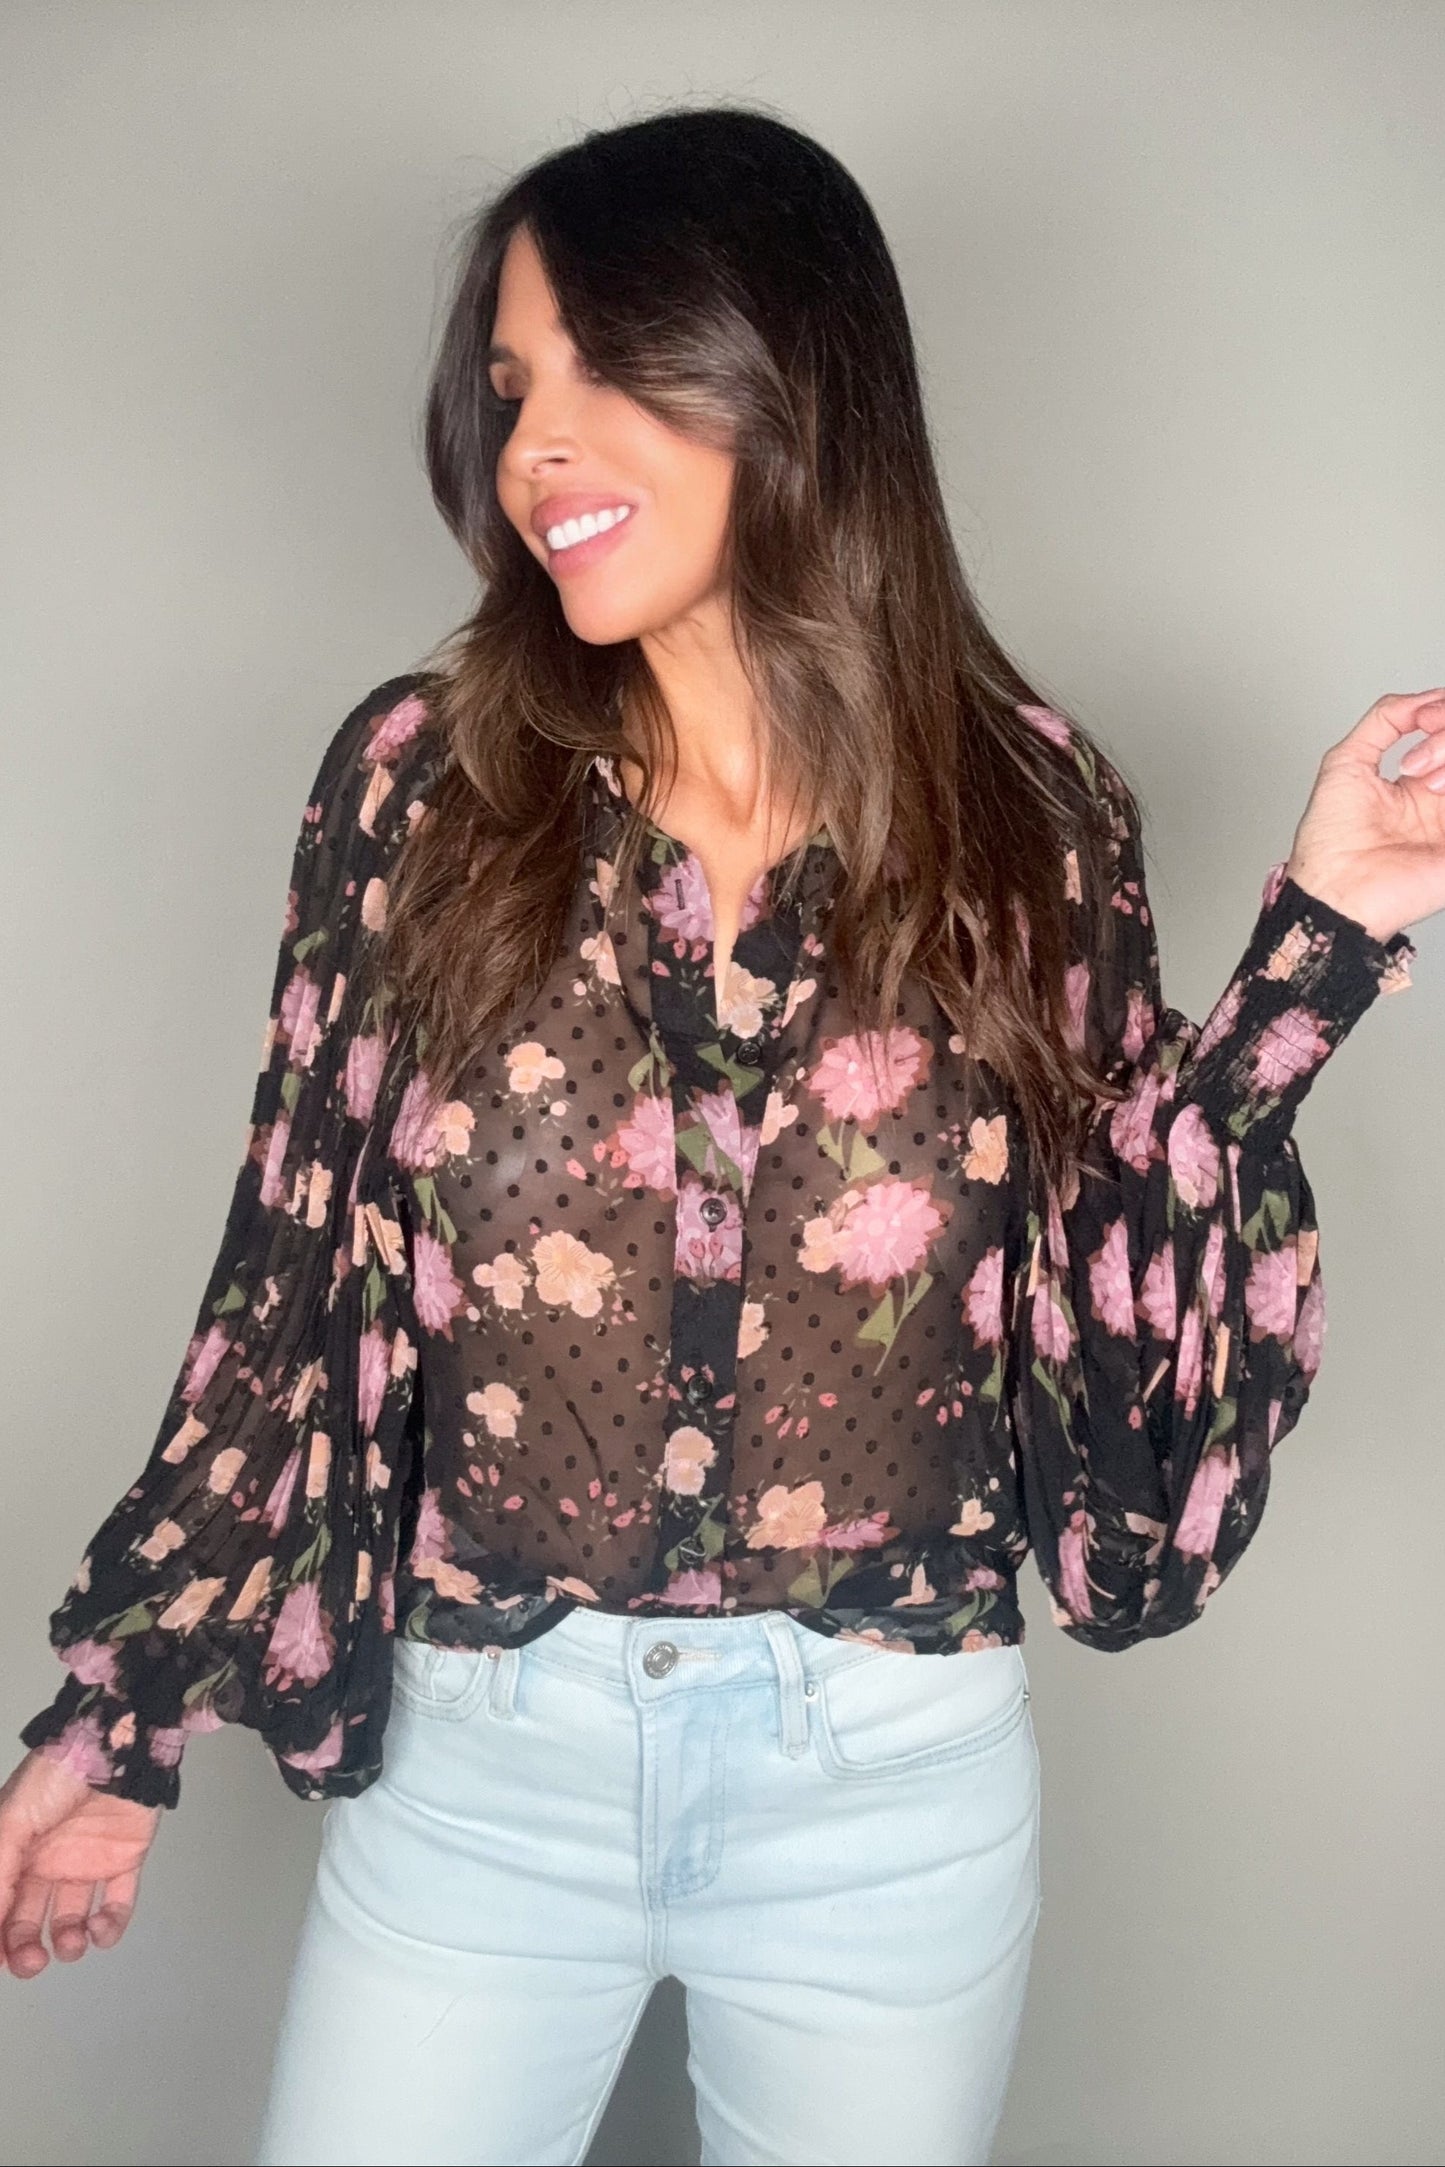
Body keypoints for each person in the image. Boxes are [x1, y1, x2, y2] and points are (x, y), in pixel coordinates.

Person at [1, 101, 1439, 2167]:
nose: (532, 450)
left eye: (608, 370)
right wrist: (124, 1717)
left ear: (797, 378)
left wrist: (1321, 952)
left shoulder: (1027, 816)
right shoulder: (418, 787)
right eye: (512, 391)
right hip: (484, 1770)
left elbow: (1115, 1379)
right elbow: (294, 1273)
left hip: (887, 1792)